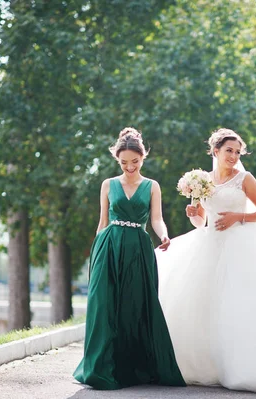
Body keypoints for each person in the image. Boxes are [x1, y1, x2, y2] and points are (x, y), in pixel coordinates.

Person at [156, 128, 256, 395]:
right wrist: (193, 213)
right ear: (215, 151)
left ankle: (249, 362)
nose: (233, 156)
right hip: (210, 244)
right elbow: (201, 220)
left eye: (237, 152)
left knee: (241, 302)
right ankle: (209, 365)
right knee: (204, 303)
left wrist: (237, 217)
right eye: (229, 150)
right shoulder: (202, 180)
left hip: (243, 243)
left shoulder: (245, 178)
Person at [73, 127, 185, 390]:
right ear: (117, 160)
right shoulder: (108, 185)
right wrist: (96, 255)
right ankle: (101, 369)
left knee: (135, 306)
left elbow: (156, 219)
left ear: (143, 158)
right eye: (124, 162)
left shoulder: (152, 186)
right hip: (109, 247)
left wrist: (164, 235)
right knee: (105, 306)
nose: (129, 167)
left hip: (138, 248)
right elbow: (102, 222)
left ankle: (134, 369)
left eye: (134, 161)